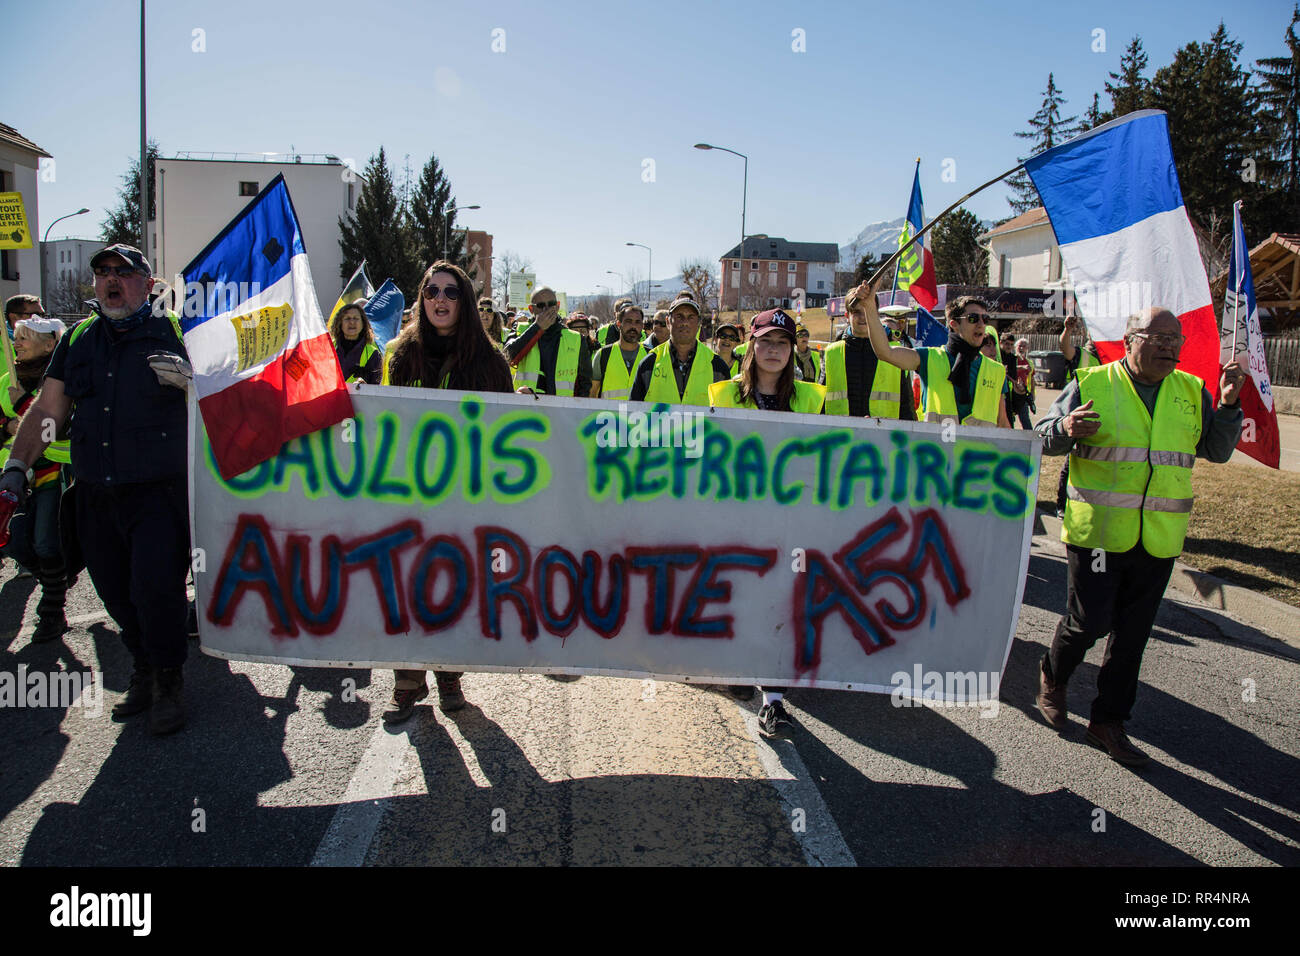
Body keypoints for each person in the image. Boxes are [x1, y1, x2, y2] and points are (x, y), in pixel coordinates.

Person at [1034, 308, 1245, 767]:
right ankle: (1053, 676)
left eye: (1176, 338)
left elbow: (1216, 450)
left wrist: (1228, 406)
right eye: (1159, 337)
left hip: (1158, 539)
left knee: (1132, 636)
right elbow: (1042, 437)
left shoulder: (1191, 390)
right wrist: (1066, 429)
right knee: (1088, 623)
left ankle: (1107, 722)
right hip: (1098, 537)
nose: (1170, 346)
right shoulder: (1092, 383)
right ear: (1130, 339)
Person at [0, 244, 192, 735]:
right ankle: (143, 665)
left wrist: (195, 383)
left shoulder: (177, 331)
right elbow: (48, 411)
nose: (111, 281)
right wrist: (17, 468)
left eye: (124, 274)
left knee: (156, 588)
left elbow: (227, 395)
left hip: (158, 493)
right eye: (103, 272)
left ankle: (169, 678)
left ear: (149, 285)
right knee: (112, 589)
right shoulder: (81, 338)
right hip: (94, 492)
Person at [382, 260, 515, 724]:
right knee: (407, 584)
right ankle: (406, 681)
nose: (440, 299)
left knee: (452, 586)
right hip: (410, 499)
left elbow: (507, 435)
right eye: (432, 291)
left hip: (466, 501)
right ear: (422, 300)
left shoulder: (490, 362)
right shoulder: (401, 357)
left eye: (451, 292)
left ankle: (449, 676)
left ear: (464, 303)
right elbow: (388, 427)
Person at [708, 308, 826, 735]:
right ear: (751, 348)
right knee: (742, 599)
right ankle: (737, 666)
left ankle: (774, 698)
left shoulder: (814, 398)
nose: (773, 350)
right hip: (737, 519)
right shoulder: (721, 395)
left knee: (783, 602)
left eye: (782, 343)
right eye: (766, 342)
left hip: (789, 518)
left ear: (793, 351)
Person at [0, 316, 71, 641]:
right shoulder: (6, 380)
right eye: (17, 336)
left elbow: (57, 423)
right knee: (14, 541)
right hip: (16, 477)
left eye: (27, 337)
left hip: (53, 472)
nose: (18, 342)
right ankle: (56, 583)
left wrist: (22, 404)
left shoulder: (61, 377)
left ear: (50, 344)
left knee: (45, 541)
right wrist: (6, 428)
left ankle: (52, 612)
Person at [860, 282, 1011, 428]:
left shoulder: (996, 371)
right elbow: (885, 352)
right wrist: (869, 307)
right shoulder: (930, 358)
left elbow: (1003, 423)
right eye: (973, 318)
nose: (981, 324)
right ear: (954, 324)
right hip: (937, 452)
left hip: (977, 453)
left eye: (985, 319)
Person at [820, 284, 914, 420]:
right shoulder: (832, 352)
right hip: (841, 435)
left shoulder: (894, 351)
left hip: (884, 435)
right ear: (847, 315)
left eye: (867, 311)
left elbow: (906, 402)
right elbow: (821, 401)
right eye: (857, 312)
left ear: (875, 314)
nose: (863, 317)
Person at [628, 293, 730, 405]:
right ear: (668, 322)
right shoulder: (649, 364)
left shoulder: (717, 367)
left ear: (699, 323)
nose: (685, 322)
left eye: (691, 317)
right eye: (679, 317)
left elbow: (725, 417)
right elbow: (633, 415)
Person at [504, 286, 593, 397]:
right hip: (526, 406)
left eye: (551, 304)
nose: (547, 310)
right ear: (531, 309)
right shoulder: (520, 329)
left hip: (560, 409)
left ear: (557, 306)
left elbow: (585, 384)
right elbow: (507, 357)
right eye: (541, 306)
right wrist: (537, 327)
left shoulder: (577, 339)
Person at [590, 303, 647, 399]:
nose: (633, 326)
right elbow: (592, 393)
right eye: (628, 321)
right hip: (609, 414)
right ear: (618, 324)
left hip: (640, 414)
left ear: (642, 326)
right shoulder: (603, 355)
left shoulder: (650, 356)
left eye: (637, 322)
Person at [330, 302, 382, 385]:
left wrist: (365, 386)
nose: (352, 322)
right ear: (340, 323)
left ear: (363, 323)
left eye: (356, 318)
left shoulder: (373, 354)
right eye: (347, 318)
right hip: (331, 397)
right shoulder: (328, 348)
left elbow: (376, 388)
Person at [1010, 337, 1036, 429]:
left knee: (1025, 419)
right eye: (1020, 346)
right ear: (1015, 347)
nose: (1021, 348)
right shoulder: (1011, 359)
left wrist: (1032, 393)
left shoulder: (1029, 362)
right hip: (1010, 394)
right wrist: (1022, 367)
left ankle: (1030, 438)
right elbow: (1007, 370)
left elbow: (1032, 379)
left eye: (1024, 346)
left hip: (1023, 394)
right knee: (1009, 419)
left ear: (1027, 348)